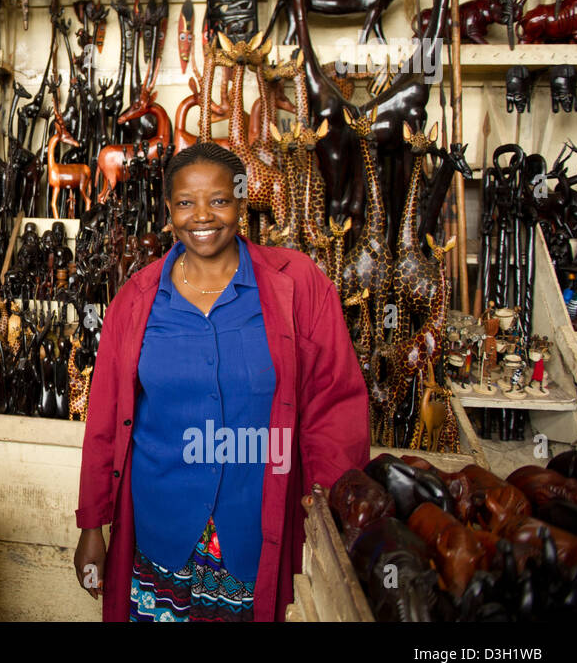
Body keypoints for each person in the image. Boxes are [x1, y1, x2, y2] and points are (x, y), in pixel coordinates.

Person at [74, 143, 368, 621]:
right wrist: (92, 525)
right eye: (186, 202)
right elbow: (105, 420)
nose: (202, 216)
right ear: (168, 210)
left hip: (256, 533)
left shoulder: (300, 285)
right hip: (159, 532)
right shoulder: (136, 300)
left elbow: (335, 406)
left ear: (242, 202)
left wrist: (330, 519)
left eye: (219, 200)